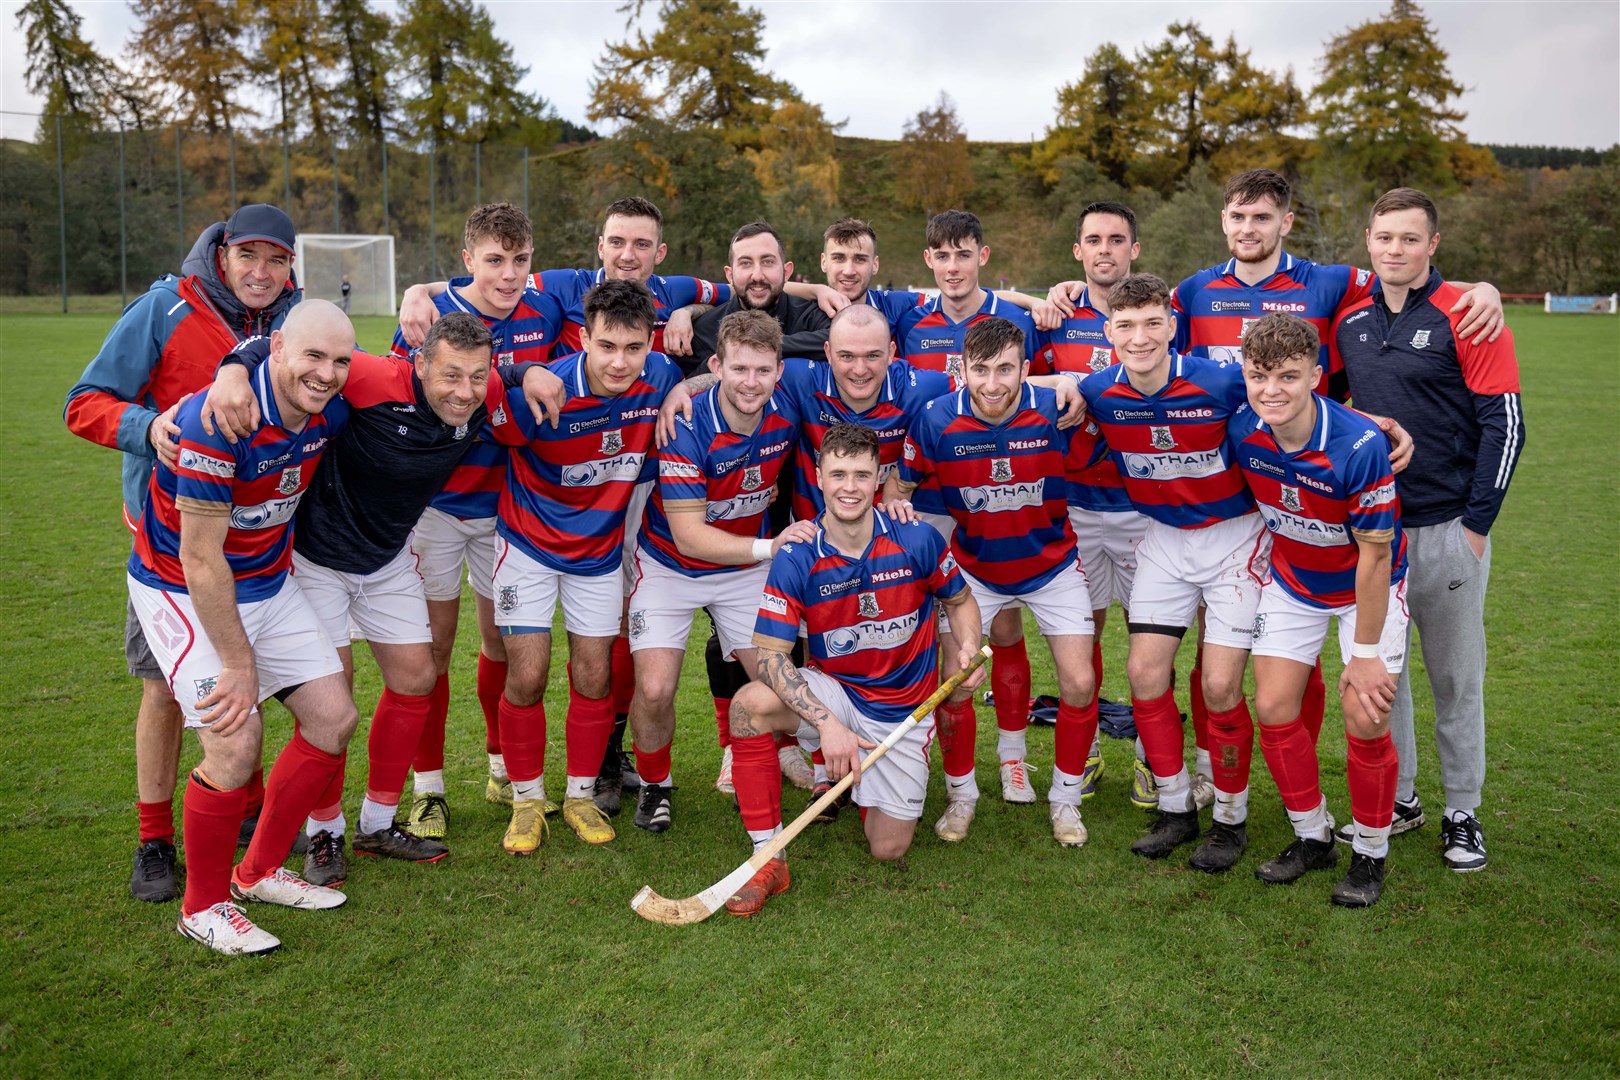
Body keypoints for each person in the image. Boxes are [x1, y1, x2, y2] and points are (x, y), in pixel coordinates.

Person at [1075, 274, 1405, 873]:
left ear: (1174, 326)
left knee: (1222, 687)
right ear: (1108, 333)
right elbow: (1041, 391)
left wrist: (1376, 423)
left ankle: (1231, 819)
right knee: (1144, 673)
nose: (1140, 337)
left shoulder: (1226, 381)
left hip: (1237, 539)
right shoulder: (1096, 392)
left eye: (1153, 323)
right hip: (1164, 539)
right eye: (1125, 325)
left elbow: (1294, 394)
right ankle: (1176, 806)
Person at [202, 312, 523, 884]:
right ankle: (324, 835)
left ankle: (377, 822)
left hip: (387, 556)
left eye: (478, 377)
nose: (465, 391)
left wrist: (530, 376)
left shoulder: (485, 388)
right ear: (419, 364)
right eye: (450, 375)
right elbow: (275, 346)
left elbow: (515, 377)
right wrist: (232, 370)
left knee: (416, 677)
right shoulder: (374, 378)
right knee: (333, 701)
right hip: (315, 559)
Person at [64, 202, 301, 903]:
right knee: (165, 690)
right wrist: (147, 425)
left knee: (250, 677)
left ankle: (245, 813)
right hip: (167, 548)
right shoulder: (165, 308)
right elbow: (84, 401)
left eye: (277, 260)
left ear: (292, 267)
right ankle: (154, 840)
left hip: (258, 542)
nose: (261, 272)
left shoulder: (292, 321)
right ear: (223, 253)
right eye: (249, 256)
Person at [126, 300, 356, 955]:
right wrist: (237, 663)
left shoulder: (326, 402)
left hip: (268, 581)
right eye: (313, 357)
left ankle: (255, 873)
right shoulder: (215, 421)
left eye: (340, 361)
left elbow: (414, 370)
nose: (328, 373)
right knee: (234, 741)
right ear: (278, 346)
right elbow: (201, 559)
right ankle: (202, 907)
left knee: (333, 719)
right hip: (181, 586)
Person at [1328, 187, 1525, 873]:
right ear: (1369, 240)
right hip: (1374, 538)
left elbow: (1508, 424)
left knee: (1454, 678)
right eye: (1384, 238)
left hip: (1446, 530)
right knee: (1381, 676)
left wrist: (1475, 527)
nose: (1395, 251)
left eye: (1410, 239)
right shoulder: (1349, 319)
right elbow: (1315, 401)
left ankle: (1462, 811)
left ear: (1433, 245)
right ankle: (1402, 799)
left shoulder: (1466, 312)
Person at [723, 424, 985, 915]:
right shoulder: (798, 554)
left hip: (902, 712)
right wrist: (827, 724)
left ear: (877, 478)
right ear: (818, 476)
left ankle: (860, 780)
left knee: (888, 848)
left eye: (861, 475)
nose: (849, 486)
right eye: (838, 473)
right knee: (748, 705)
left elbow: (962, 601)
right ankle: (767, 858)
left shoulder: (916, 537)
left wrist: (969, 647)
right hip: (837, 693)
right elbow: (773, 657)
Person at [482, 280, 685, 852]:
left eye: (633, 348)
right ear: (584, 340)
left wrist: (681, 389)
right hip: (527, 546)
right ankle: (525, 800)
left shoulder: (661, 378)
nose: (620, 362)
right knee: (527, 675)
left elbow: (715, 366)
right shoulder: (546, 391)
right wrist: (520, 372)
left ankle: (576, 795)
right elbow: (474, 391)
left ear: (651, 344)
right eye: (606, 347)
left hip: (597, 554)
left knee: (593, 674)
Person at [387, 205, 567, 841]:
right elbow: (399, 391)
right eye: (495, 260)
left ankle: (498, 765)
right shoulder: (427, 318)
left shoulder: (545, 312)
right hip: (434, 509)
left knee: (500, 645)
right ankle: (429, 788)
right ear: (467, 261)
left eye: (520, 260)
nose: (509, 274)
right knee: (433, 651)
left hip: (508, 510)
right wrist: (419, 291)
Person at [889, 318, 1102, 847]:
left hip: (1052, 565)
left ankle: (1066, 799)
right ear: (961, 369)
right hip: (975, 570)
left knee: (1079, 683)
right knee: (957, 684)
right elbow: (900, 482)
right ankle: (962, 794)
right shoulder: (937, 419)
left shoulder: (1056, 409)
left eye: (1005, 368)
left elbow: (1120, 385)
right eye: (980, 370)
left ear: (1026, 369)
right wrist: (895, 505)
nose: (992, 383)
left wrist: (1070, 382)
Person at [1235, 313, 1408, 907]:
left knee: (1365, 716)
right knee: (1274, 706)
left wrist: (1363, 654)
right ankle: (1314, 838)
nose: (1272, 391)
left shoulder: (1357, 445)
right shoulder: (1243, 428)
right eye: (1259, 376)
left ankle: (1370, 853)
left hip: (1368, 586)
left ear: (1316, 375)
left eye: (1288, 376)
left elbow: (1376, 557)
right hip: (1292, 581)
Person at [624, 311, 818, 834]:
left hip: (741, 570)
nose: (750, 382)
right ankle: (654, 784)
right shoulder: (687, 423)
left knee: (777, 681)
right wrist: (770, 546)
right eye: (738, 369)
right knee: (657, 689)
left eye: (761, 370)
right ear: (716, 366)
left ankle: (761, 762)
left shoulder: (789, 402)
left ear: (780, 369)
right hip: (670, 564)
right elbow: (690, 535)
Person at [1033, 200, 1179, 813]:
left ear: (1134, 249)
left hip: (1147, 506)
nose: (1104, 250)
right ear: (1077, 251)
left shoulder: (1159, 316)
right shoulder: (1055, 319)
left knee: (1151, 639)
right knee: (1082, 634)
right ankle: (1086, 746)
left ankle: (1153, 755)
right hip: (1078, 506)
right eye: (1093, 239)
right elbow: (1018, 383)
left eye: (1117, 239)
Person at [894, 209, 1041, 811]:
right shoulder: (908, 317)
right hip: (920, 499)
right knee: (913, 626)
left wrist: (1038, 296)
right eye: (942, 256)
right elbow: (833, 292)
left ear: (983, 254)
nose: (953, 267)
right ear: (928, 261)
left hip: (986, 494)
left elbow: (1047, 385)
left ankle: (1012, 758)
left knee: (998, 628)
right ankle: (924, 756)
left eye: (964, 254)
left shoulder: (1017, 319)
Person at [686, 221, 832, 364]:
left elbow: (842, 340)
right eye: (745, 263)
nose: (757, 275)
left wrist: (757, 345)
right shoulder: (702, 332)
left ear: (786, 271)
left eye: (767, 262)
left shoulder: (810, 316)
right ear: (729, 275)